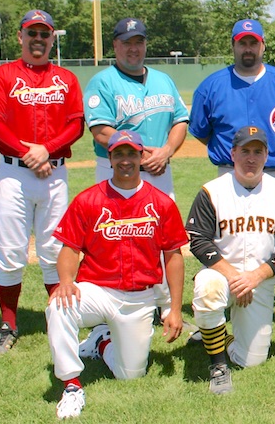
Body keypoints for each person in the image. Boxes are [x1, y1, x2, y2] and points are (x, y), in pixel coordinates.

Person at [46, 130, 187, 419]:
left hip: (140, 297)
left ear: (141, 157)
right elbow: (69, 248)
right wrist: (66, 282)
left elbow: (173, 257)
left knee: (130, 374)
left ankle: (102, 341)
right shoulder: (88, 200)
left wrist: (174, 309)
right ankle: (72, 385)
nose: (125, 160)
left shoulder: (161, 203)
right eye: (119, 154)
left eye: (131, 154)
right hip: (97, 289)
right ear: (109, 159)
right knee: (59, 305)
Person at [189, 18, 275, 335]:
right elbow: (201, 131)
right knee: (225, 239)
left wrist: (265, 157)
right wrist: (235, 158)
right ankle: (218, 304)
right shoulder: (212, 86)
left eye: (253, 42)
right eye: (242, 42)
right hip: (229, 174)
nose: (248, 48)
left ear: (262, 45)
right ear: (234, 46)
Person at [0, 9, 84, 355]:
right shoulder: (3, 75)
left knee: (54, 249)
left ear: (51, 38)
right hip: (15, 173)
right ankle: (8, 324)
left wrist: (47, 150)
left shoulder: (65, 79)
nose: (38, 39)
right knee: (11, 251)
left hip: (54, 173)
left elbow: (76, 124)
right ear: (20, 36)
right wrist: (29, 153)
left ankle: (58, 319)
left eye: (44, 33)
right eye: (32, 33)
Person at [83, 17, 190, 324]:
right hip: (116, 171)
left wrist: (167, 151)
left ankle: (165, 306)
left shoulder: (163, 80)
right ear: (115, 45)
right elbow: (101, 131)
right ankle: (115, 304)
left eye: (139, 42)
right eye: (127, 42)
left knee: (161, 238)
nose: (133, 48)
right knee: (117, 237)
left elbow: (180, 120)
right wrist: (140, 156)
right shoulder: (103, 82)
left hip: (159, 169)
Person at [185, 126, 275, 395]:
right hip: (221, 274)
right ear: (233, 153)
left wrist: (255, 277)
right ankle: (218, 365)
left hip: (259, 280)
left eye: (257, 151)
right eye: (245, 151)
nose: (251, 158)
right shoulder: (212, 191)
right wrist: (236, 277)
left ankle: (214, 334)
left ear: (266, 155)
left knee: (251, 360)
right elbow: (199, 240)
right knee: (207, 289)